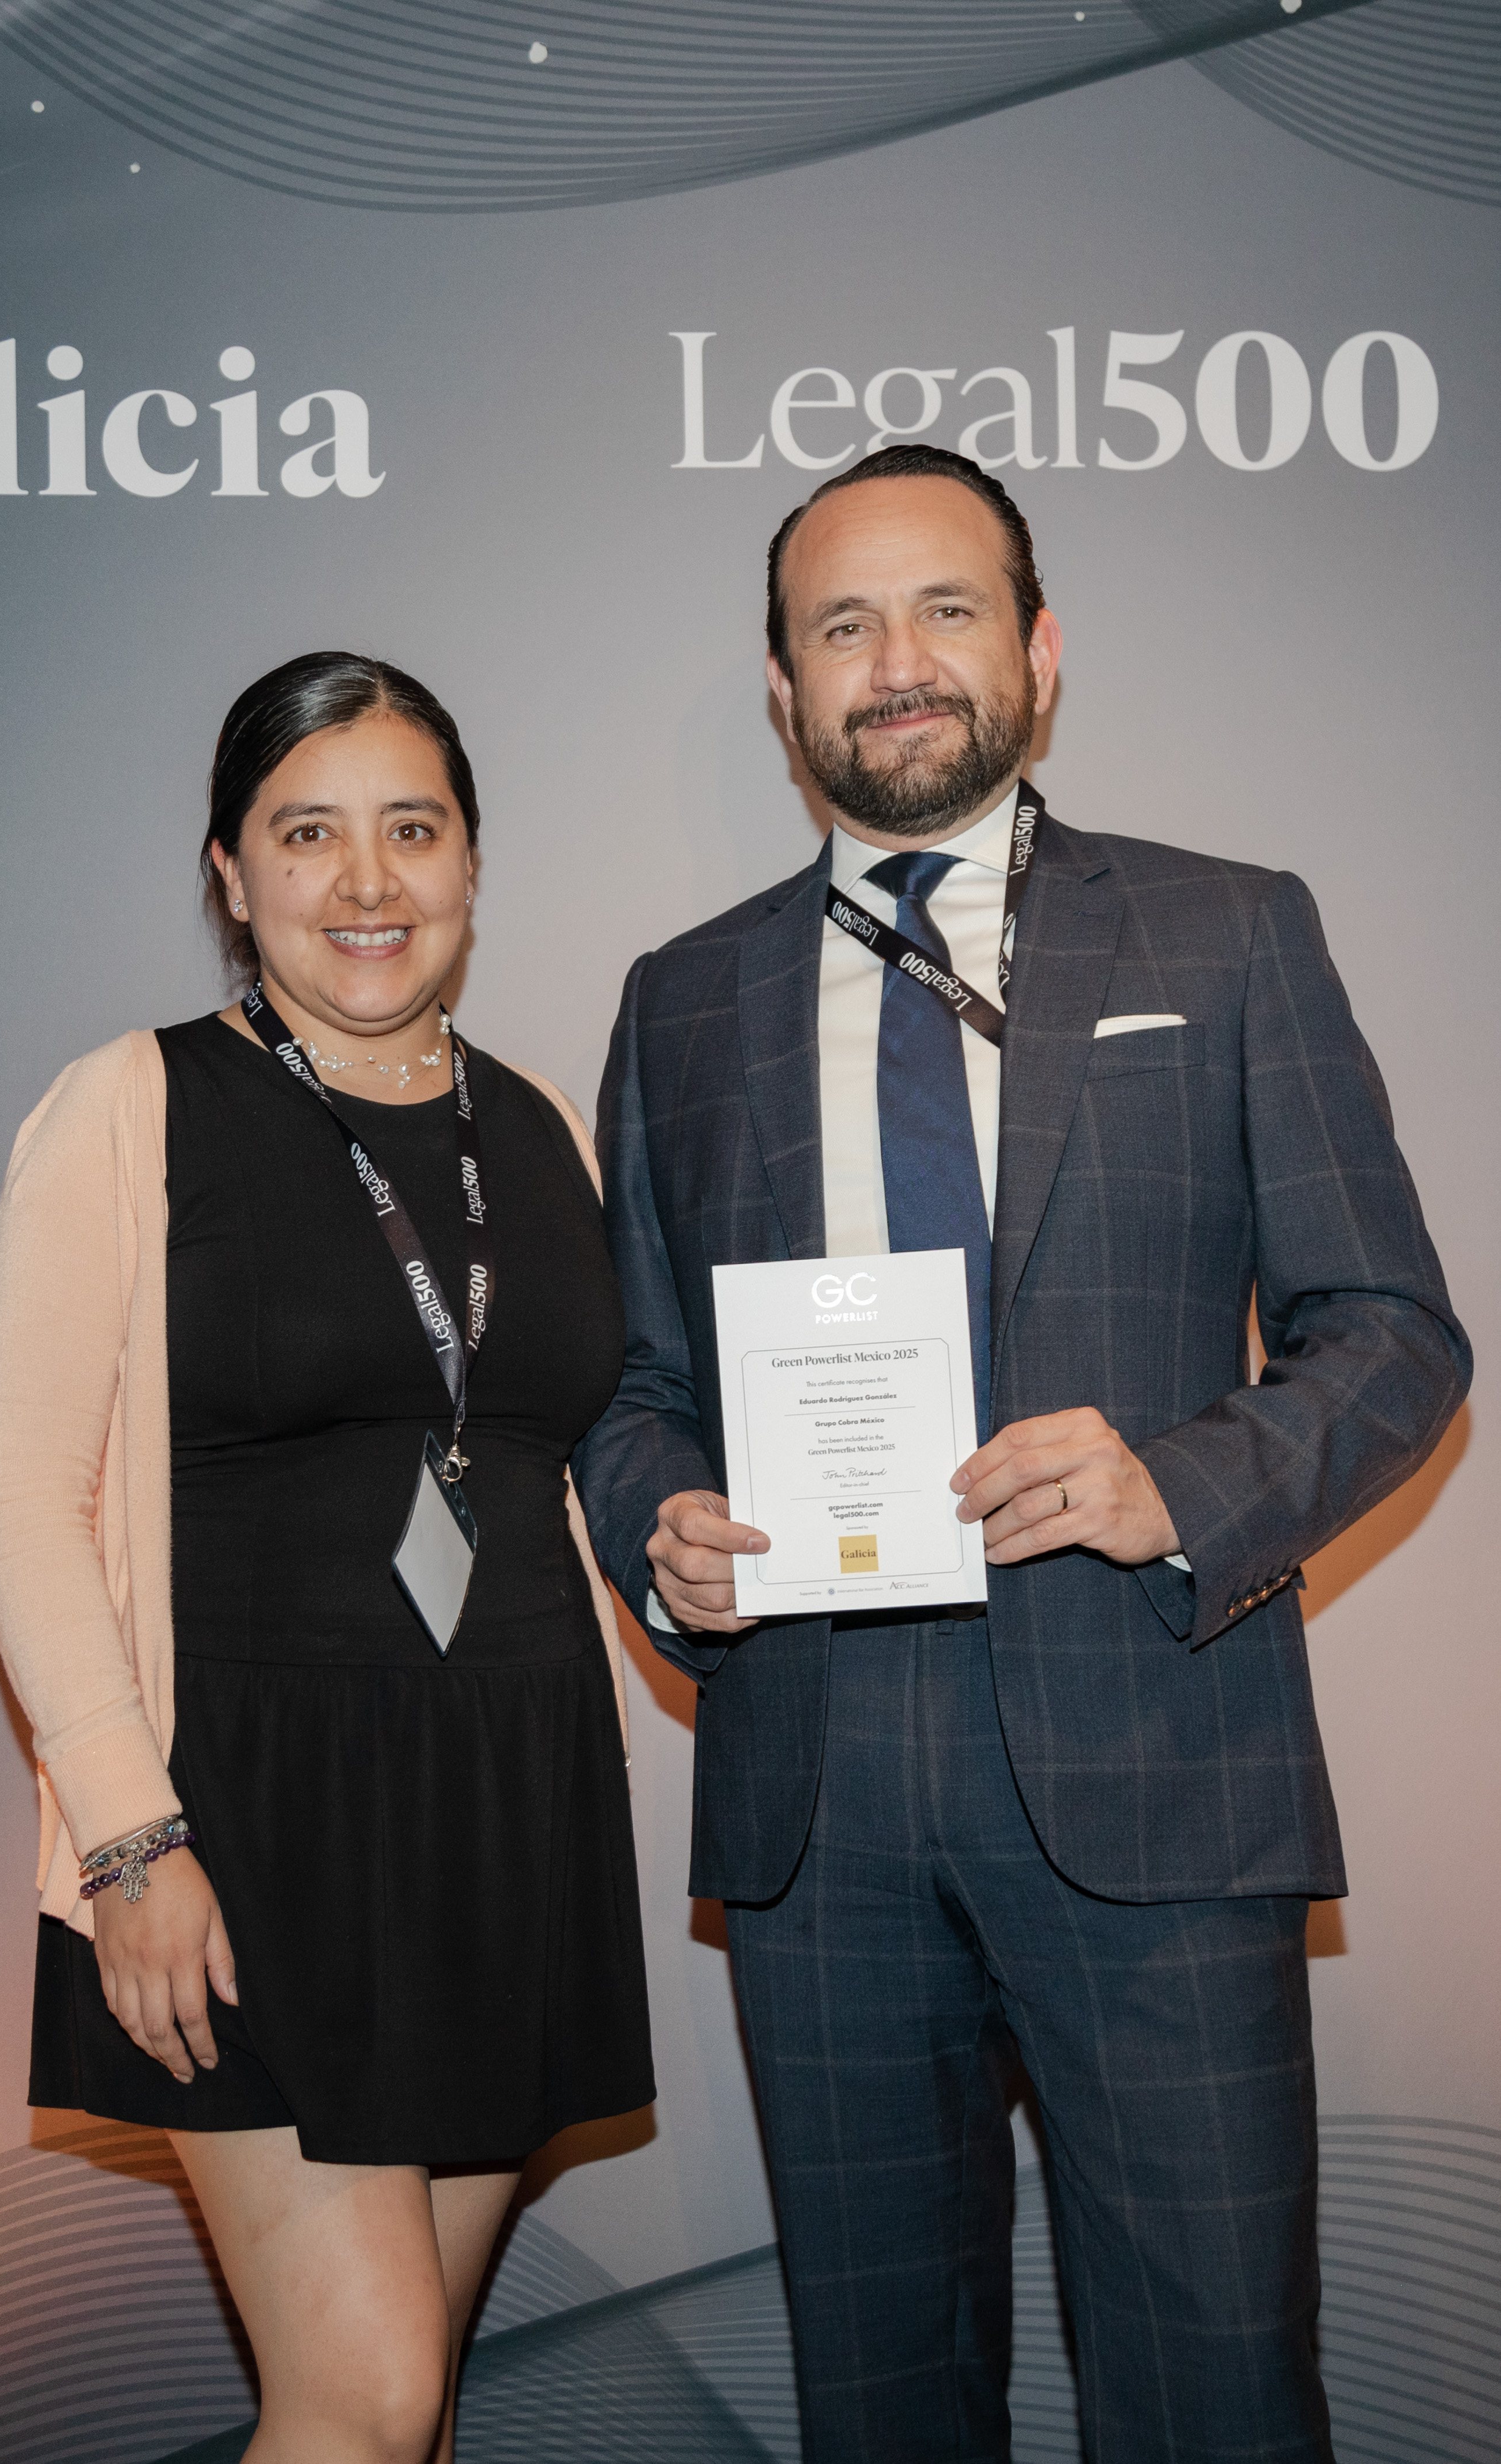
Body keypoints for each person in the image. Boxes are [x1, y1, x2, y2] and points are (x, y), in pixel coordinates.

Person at [575, 444, 1470, 2462]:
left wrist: (1180, 1485)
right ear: (785, 691)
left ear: (1040, 651)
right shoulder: (683, 1000)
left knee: (1215, 2399)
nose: (895, 661)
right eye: (842, 625)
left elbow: (1395, 1335)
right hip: (817, 1802)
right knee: (879, 2410)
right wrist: (661, 1530)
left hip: (1156, 1766)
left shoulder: (1227, 931)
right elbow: (635, 1385)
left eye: (945, 608)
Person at [0, 651, 653, 2464]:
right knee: (367, 2396)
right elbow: (19, 1506)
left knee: (402, 2413)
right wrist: (130, 1839)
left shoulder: (539, 1125)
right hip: (242, 1828)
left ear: (472, 861)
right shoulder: (130, 1104)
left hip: (505, 1807)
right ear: (229, 868)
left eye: (410, 830)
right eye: (306, 832)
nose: (365, 881)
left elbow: (571, 1451)